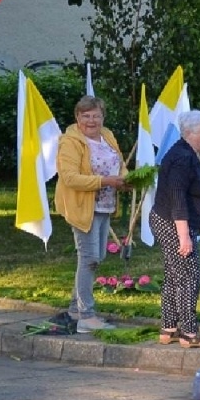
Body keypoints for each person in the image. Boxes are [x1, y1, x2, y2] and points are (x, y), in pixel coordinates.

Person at [52, 95, 127, 333]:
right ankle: (86, 316)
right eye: (86, 116)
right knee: (89, 258)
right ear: (77, 117)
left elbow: (119, 162)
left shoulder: (108, 135)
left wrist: (127, 179)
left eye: (96, 115)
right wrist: (106, 181)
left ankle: (75, 309)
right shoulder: (70, 142)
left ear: (103, 117)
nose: (91, 120)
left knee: (97, 258)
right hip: (81, 206)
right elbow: (70, 177)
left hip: (105, 205)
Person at [150, 110, 200, 348]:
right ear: (190, 132)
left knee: (174, 275)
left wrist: (197, 219)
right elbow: (177, 197)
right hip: (172, 222)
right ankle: (189, 333)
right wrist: (184, 236)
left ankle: (168, 328)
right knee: (189, 276)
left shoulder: (188, 152)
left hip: (174, 220)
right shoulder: (182, 157)